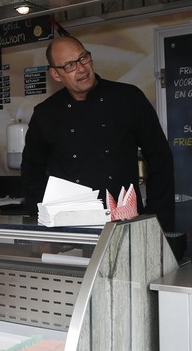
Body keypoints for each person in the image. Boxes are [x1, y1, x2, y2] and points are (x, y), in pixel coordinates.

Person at [21, 36, 175, 233]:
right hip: (70, 228)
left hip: (125, 223)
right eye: (69, 65)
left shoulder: (128, 98)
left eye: (83, 58)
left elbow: (160, 158)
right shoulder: (45, 114)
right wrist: (42, 221)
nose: (81, 68)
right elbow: (31, 171)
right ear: (56, 74)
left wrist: (155, 219)